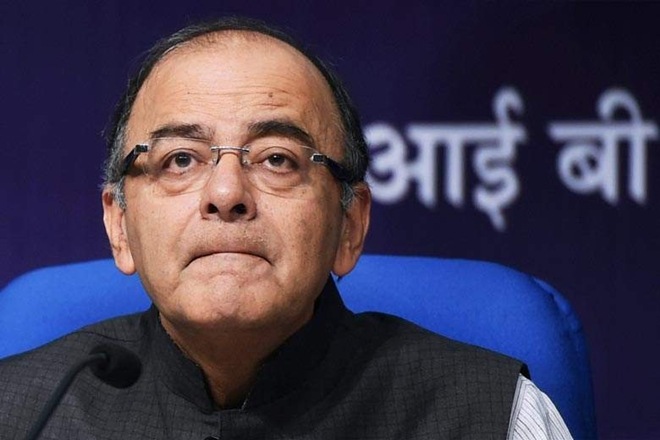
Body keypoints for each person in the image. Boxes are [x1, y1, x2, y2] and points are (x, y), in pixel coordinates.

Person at [0, 17, 572, 439]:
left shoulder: (491, 416)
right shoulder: (23, 414)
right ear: (119, 225)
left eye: (277, 158)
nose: (227, 195)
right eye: (180, 159)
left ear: (350, 225)